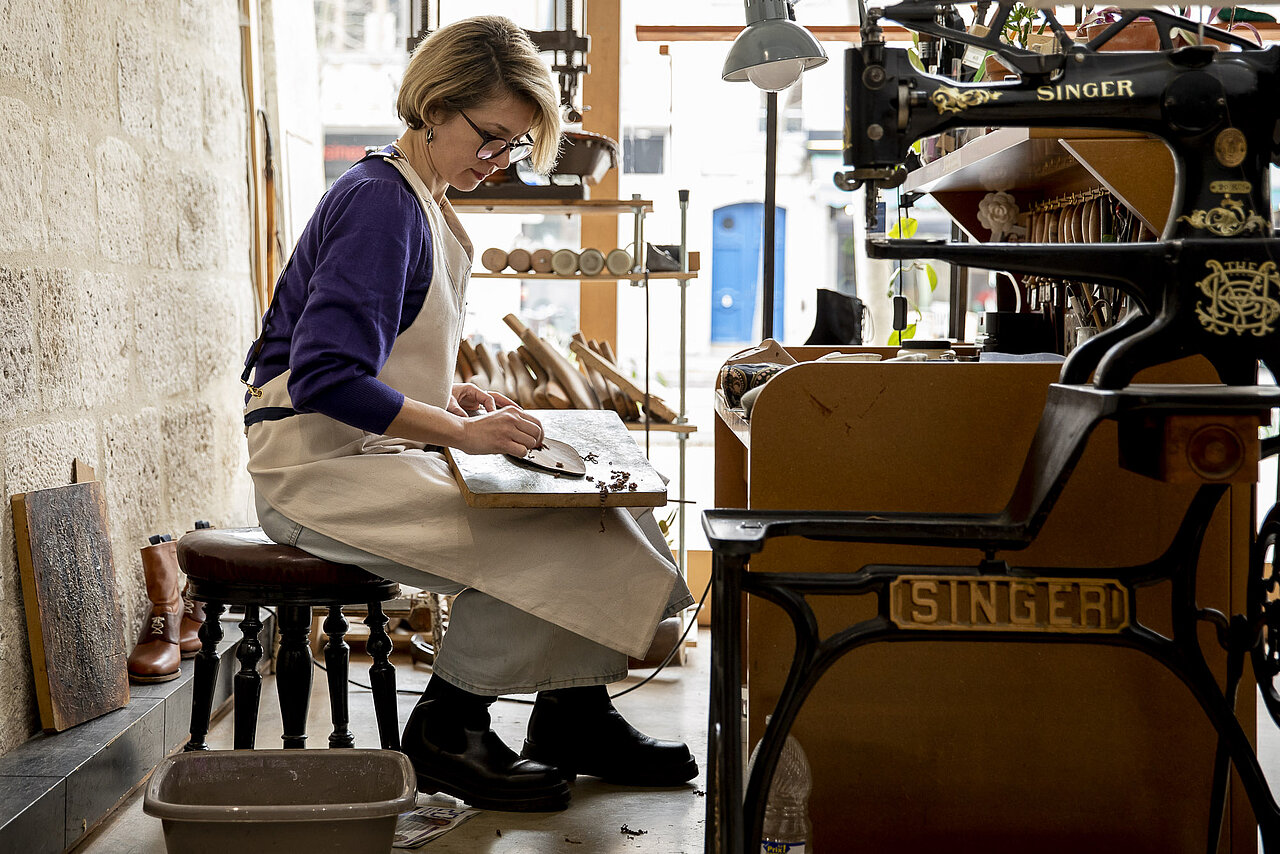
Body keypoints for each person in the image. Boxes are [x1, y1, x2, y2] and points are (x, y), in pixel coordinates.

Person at [241, 16, 695, 812]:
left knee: (595, 513)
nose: (501, 162)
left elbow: (378, 354)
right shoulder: (381, 203)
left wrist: (450, 397)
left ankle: (573, 714)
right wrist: (457, 432)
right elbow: (320, 376)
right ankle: (448, 727)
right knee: (552, 531)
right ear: (434, 106)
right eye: (491, 139)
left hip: (361, 453)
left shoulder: (420, 197)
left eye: (515, 147)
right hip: (314, 473)